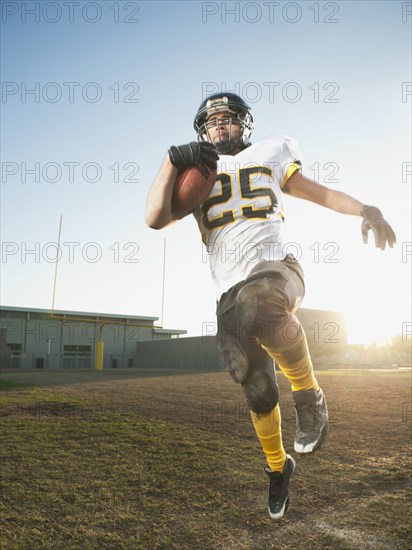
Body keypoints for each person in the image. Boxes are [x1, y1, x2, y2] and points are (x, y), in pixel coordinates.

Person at [145, 92, 396, 520]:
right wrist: (172, 161)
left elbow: (319, 193)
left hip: (278, 268)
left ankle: (308, 394)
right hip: (229, 290)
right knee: (256, 387)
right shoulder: (196, 171)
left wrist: (364, 209)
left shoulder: (272, 150)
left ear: (245, 123)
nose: (221, 128)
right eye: (212, 123)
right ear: (202, 132)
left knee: (257, 301)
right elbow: (154, 218)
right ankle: (279, 467)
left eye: (228, 120)